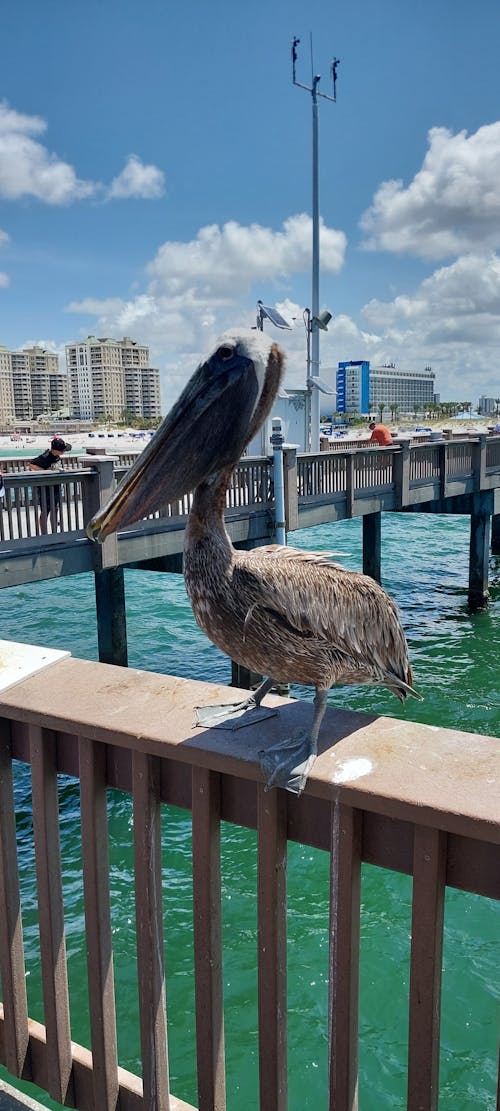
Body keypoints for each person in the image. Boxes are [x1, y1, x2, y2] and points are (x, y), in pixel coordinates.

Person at [28, 437, 72, 534]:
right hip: (45, 489)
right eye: (62, 450)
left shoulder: (57, 457)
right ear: (55, 450)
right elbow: (31, 464)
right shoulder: (45, 457)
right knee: (45, 511)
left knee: (55, 509)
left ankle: (55, 533)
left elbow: (55, 467)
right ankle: (44, 534)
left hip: (56, 487)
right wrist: (45, 472)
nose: (63, 452)